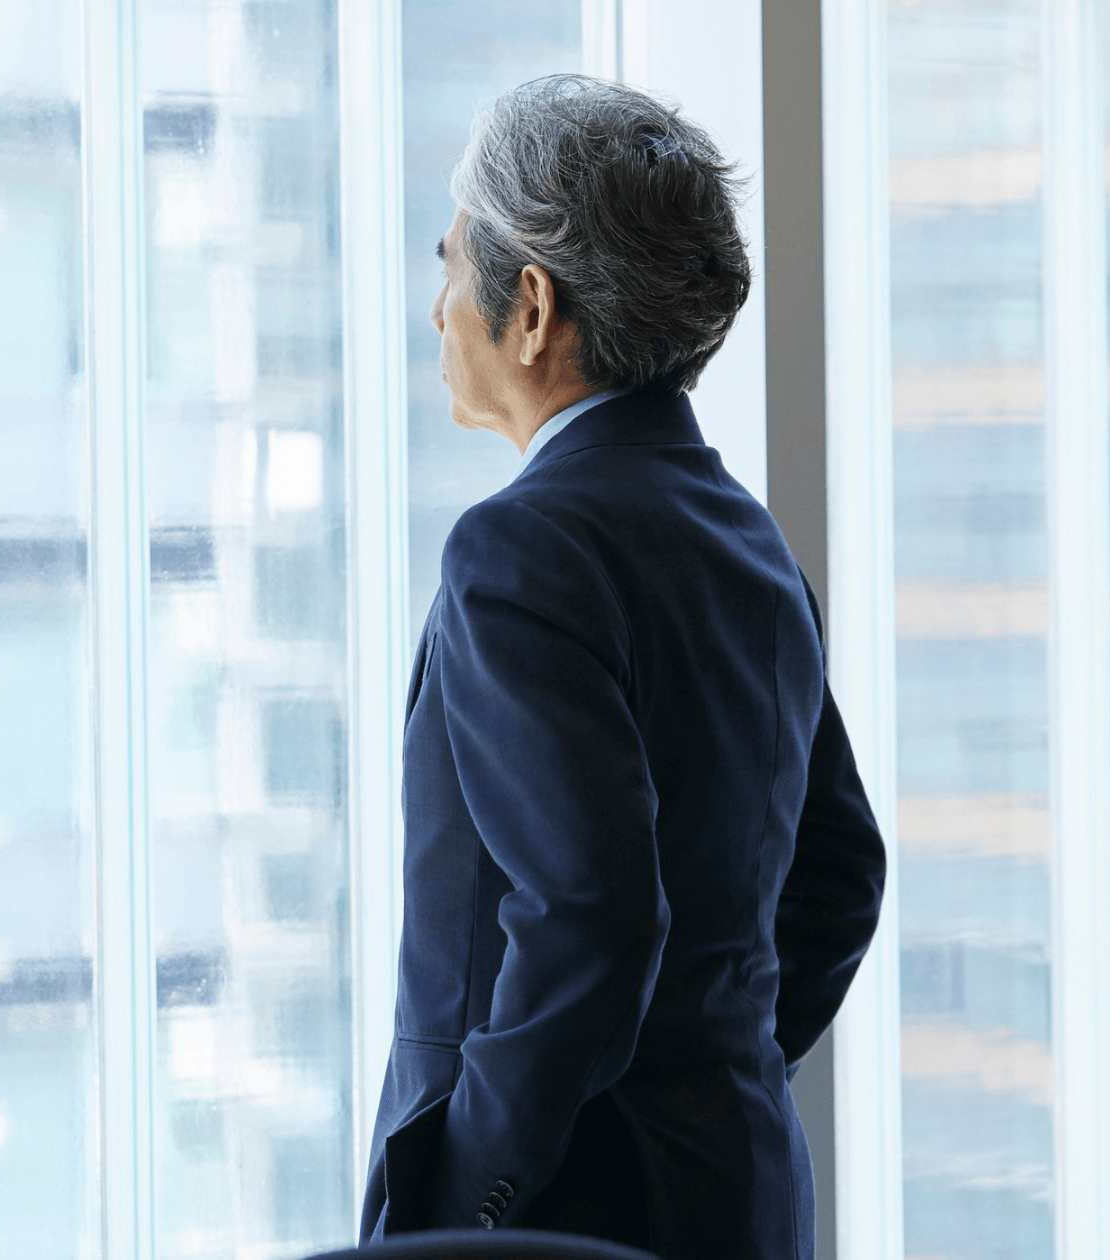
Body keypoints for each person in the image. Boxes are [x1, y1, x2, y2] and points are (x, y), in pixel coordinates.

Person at [361, 75, 886, 1260]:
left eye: (450, 265)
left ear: (530, 306)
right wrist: (707, 1070)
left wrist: (466, 1198)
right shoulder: (744, 542)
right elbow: (838, 875)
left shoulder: (516, 547)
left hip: (559, 1216)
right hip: (738, 1193)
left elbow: (590, 918)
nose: (437, 307)